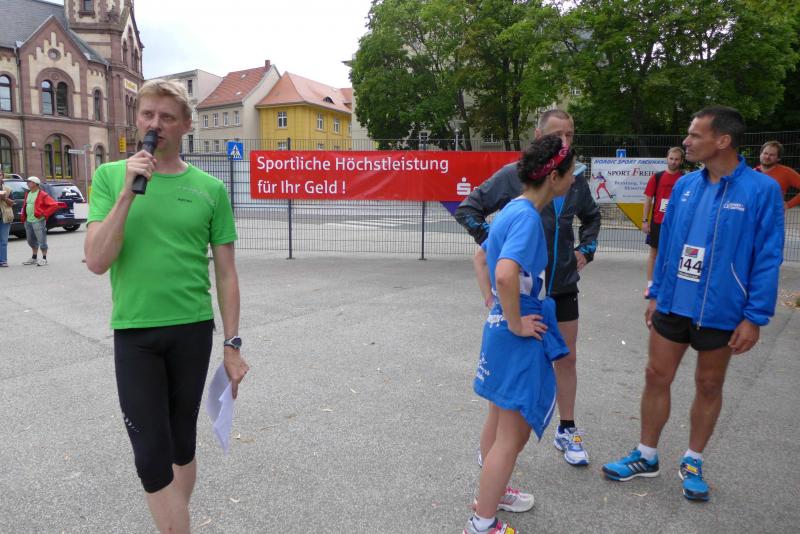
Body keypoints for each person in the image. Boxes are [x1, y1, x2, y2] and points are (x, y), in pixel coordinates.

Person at [84, 79, 249, 533]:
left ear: (186, 125)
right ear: (137, 118)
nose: (154, 124)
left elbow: (227, 273)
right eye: (147, 114)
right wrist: (127, 193)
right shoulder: (110, 177)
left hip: (191, 331)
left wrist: (232, 345)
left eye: (167, 117)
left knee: (180, 444)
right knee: (150, 458)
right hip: (135, 332)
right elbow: (96, 261)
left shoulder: (210, 189)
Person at [602, 106, 784, 501]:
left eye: (695, 135)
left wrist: (755, 317)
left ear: (723, 140)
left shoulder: (761, 190)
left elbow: (768, 256)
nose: (686, 141)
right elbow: (667, 245)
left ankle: (693, 461)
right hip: (674, 302)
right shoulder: (684, 186)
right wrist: (656, 292)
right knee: (656, 375)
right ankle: (646, 455)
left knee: (709, 384)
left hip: (723, 309)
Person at [456, 109, 601, 466]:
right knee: (511, 379)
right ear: (538, 136)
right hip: (525, 298)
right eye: (556, 135)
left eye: (570, 135)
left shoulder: (573, 176)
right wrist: (497, 247)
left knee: (566, 357)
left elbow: (592, 216)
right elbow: (468, 209)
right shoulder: (515, 175)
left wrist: (586, 250)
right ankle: (495, 452)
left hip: (562, 287)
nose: (564, 142)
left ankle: (567, 429)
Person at [464, 135, 574, 534]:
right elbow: (505, 273)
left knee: (498, 418)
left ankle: (491, 497)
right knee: (512, 437)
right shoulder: (527, 217)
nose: (574, 179)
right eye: (571, 172)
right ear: (554, 177)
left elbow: (481, 257)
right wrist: (514, 321)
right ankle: (482, 523)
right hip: (517, 330)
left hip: (501, 326)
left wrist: (492, 303)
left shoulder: (512, 208)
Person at [642, 147, 685, 296]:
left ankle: (670, 286)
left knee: (674, 255)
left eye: (676, 159)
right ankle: (650, 285)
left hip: (677, 224)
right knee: (654, 254)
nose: (673, 162)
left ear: (681, 161)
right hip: (658, 222)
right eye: (671, 158)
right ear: (667, 158)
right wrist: (645, 220)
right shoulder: (657, 177)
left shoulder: (684, 178)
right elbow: (648, 199)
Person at [21, 176, 59, 266]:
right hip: (28, 220)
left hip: (38, 221)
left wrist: (44, 214)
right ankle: (34, 258)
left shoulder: (42, 194)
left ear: (35, 184)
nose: (27, 183)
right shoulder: (28, 193)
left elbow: (54, 205)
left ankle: (44, 259)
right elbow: (26, 205)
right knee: (30, 240)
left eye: (29, 182)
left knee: (42, 240)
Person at [754, 140, 800, 210]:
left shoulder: (786, 172)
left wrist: (789, 204)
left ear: (778, 158)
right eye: (765, 153)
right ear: (760, 154)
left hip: (774, 215)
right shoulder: (752, 173)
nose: (767, 157)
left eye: (772, 155)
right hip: (752, 215)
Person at [0, 170, 13, 267]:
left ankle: (3, 260)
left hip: (4, 218)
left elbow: (12, 203)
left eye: (0, 174)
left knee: (3, 241)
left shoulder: (8, 189)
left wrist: (4, 198)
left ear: (2, 176)